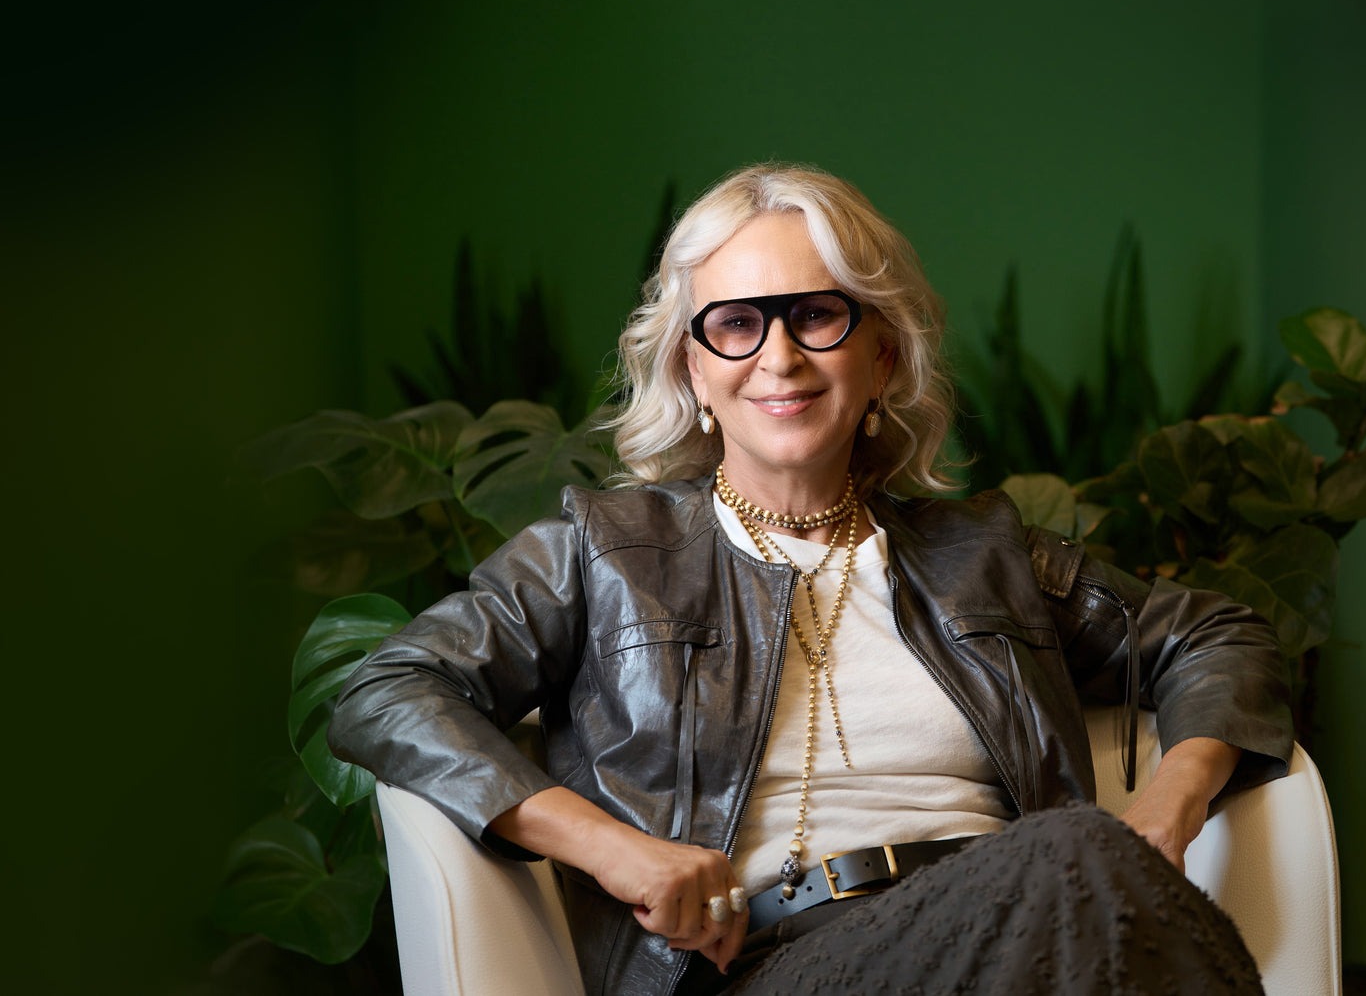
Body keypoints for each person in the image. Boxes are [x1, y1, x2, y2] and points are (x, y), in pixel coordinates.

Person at [329, 163, 1293, 996]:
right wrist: (612, 848)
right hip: (771, 962)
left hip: (1032, 933)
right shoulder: (604, 552)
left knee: (1088, 871)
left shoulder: (988, 554)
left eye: (818, 315)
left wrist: (1166, 805)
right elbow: (390, 688)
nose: (779, 357)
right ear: (693, 370)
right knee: (1083, 856)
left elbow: (1218, 636)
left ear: (882, 355)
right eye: (736, 325)